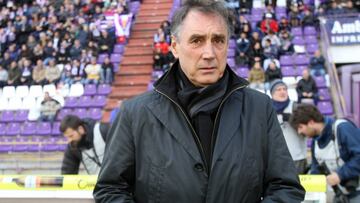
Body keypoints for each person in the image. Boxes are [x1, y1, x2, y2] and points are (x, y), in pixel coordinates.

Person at [94, 0, 305, 202]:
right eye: (197, 41)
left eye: (218, 40)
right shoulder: (134, 113)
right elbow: (111, 189)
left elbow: (285, 187)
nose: (209, 53)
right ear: (175, 47)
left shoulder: (259, 108)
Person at [289, 105, 360, 202]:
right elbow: (316, 170)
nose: (299, 131)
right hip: (341, 195)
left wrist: (340, 175)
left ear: (311, 122)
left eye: (300, 127)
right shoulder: (315, 142)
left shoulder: (342, 128)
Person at [270, 80, 308, 174]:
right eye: (278, 90)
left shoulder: (296, 107)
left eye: (284, 89)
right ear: (272, 93)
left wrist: (291, 119)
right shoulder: (267, 109)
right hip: (276, 158)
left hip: (296, 157)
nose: (282, 92)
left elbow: (307, 129)